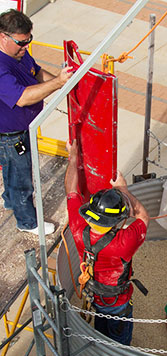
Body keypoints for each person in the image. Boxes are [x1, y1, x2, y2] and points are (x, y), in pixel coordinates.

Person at [65, 139, 149, 345]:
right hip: (116, 303)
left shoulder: (78, 228)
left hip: (94, 295)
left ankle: (102, 344)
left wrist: (73, 157)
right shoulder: (124, 241)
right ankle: (118, 354)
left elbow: (71, 189)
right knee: (119, 339)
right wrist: (124, 189)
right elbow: (143, 217)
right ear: (117, 221)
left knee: (101, 328)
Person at [0, 9, 73, 235]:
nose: (26, 47)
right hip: (11, 136)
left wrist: (64, 85)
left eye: (29, 40)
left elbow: (37, 72)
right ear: (3, 37)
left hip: (22, 131)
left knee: (13, 173)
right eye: (22, 42)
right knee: (22, 179)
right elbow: (22, 98)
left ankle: (10, 201)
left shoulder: (19, 54)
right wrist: (58, 82)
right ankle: (28, 222)